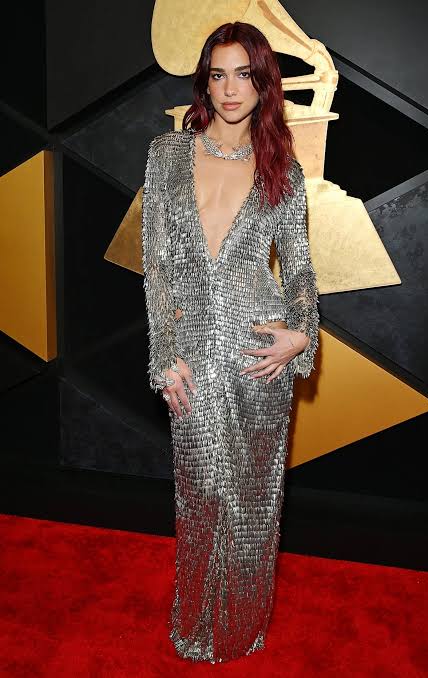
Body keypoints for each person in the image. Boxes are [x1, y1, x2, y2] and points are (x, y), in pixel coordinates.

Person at [141, 21, 320, 664]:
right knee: (200, 494)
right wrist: (163, 356)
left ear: (264, 84)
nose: (230, 88)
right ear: (205, 83)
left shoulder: (282, 171)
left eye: (244, 74)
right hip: (192, 355)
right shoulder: (167, 155)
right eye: (218, 74)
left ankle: (243, 625)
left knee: (253, 502)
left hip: (258, 359)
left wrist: (302, 334)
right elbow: (157, 267)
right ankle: (195, 621)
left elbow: (299, 274)